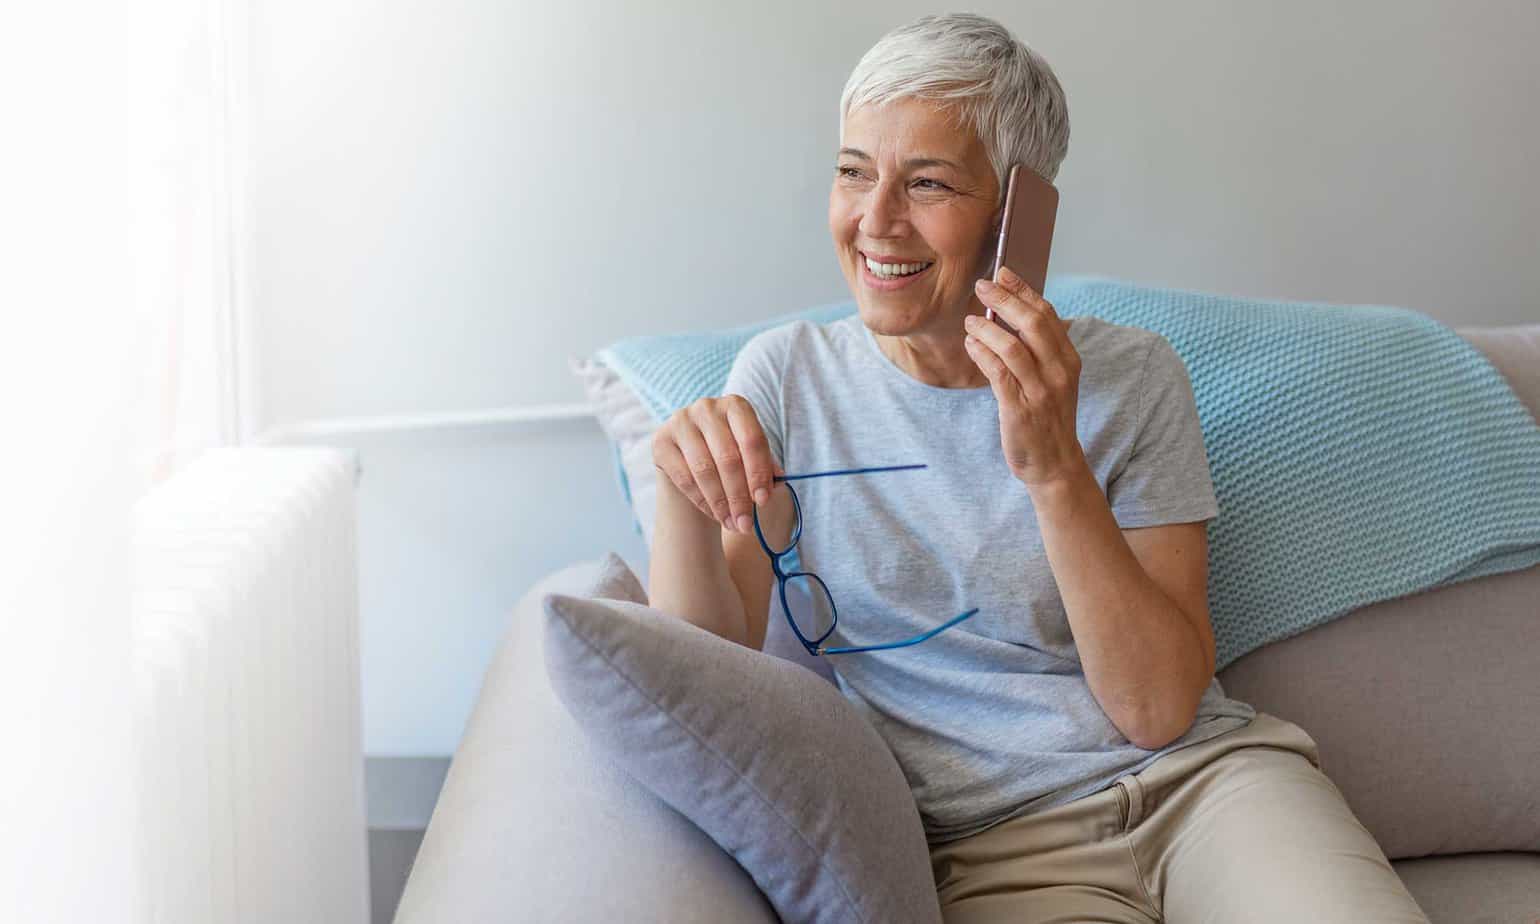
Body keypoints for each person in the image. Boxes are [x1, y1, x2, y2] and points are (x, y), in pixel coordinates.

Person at [647, 12, 1430, 923]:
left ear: (1019, 213)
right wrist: (680, 493)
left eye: (927, 182)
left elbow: (1158, 707)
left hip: (1212, 790)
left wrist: (1055, 469)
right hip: (994, 847)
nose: (876, 219)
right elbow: (706, 662)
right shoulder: (787, 381)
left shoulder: (1133, 378)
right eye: (854, 171)